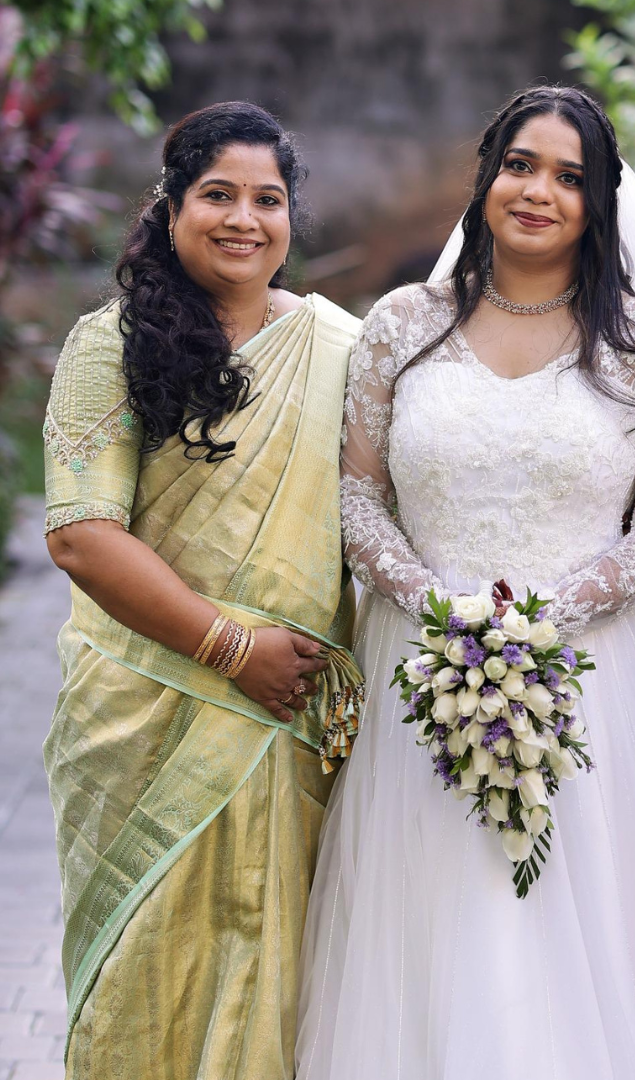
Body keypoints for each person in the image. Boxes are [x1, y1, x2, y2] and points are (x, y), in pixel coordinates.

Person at [295, 85, 635, 1079]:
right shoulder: (400, 325)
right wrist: (435, 604)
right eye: (519, 164)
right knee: (435, 922)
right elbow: (360, 494)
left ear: (601, 202)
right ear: (487, 177)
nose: (538, 190)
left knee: (588, 932)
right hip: (422, 665)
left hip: (599, 677)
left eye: (569, 176)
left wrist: (560, 612)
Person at [43, 101, 364, 1079]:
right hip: (146, 710)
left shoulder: (342, 349)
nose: (244, 219)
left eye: (267, 200)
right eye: (217, 194)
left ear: (291, 219)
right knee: (143, 971)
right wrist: (234, 650)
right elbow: (83, 537)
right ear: (171, 205)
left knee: (280, 978)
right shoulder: (109, 345)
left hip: (293, 723)